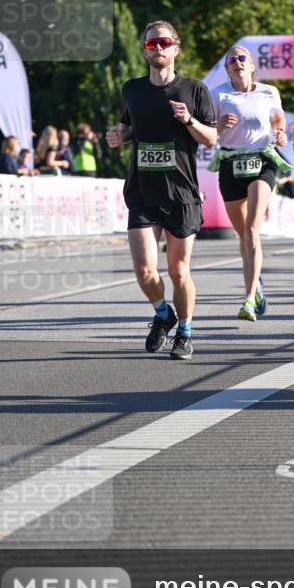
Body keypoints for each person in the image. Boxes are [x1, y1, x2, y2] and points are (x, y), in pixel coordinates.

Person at [106, 20, 217, 360]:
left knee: (178, 271)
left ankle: (184, 331)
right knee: (144, 270)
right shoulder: (132, 89)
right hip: (142, 191)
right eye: (151, 43)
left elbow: (211, 138)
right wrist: (118, 136)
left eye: (164, 43)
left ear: (176, 48)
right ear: (144, 50)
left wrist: (189, 120)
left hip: (181, 193)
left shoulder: (194, 90)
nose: (157, 48)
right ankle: (162, 313)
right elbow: (128, 127)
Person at [208, 45, 289, 321]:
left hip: (262, 160)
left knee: (253, 230)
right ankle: (257, 282)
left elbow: (277, 118)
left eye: (242, 58)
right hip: (231, 163)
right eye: (231, 59)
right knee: (243, 236)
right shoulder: (218, 94)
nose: (237, 62)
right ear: (227, 68)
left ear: (251, 65)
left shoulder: (268, 91)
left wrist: (280, 132)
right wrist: (219, 125)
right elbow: (206, 130)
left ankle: (249, 299)